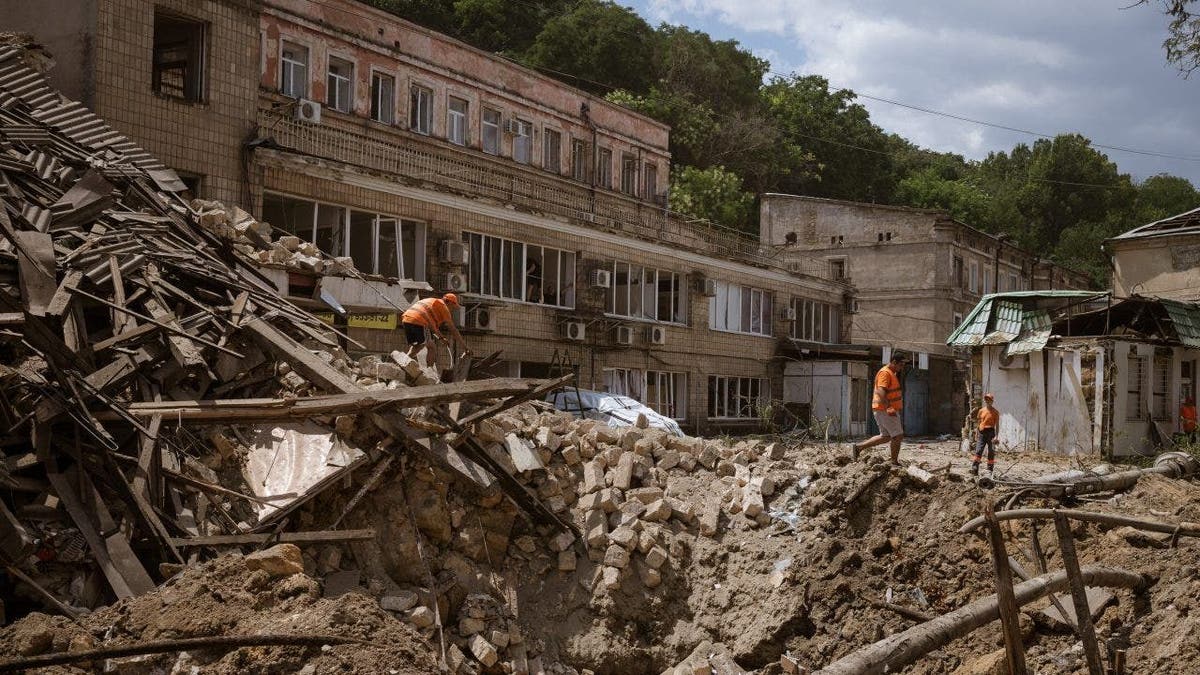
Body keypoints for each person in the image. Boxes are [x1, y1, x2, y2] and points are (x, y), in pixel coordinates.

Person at [850, 352, 908, 465]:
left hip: (882, 409)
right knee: (898, 436)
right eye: (901, 364)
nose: (902, 367)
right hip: (885, 409)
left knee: (886, 436)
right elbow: (881, 392)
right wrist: (889, 407)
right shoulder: (885, 373)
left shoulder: (891, 373)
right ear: (894, 362)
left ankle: (858, 448)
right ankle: (894, 462)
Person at [401, 293, 468, 371]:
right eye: (453, 307)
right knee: (430, 347)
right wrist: (465, 347)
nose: (452, 310)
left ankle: (401, 364)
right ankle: (429, 372)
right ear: (449, 302)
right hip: (419, 321)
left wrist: (441, 338)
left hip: (406, 320)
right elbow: (453, 329)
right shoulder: (443, 307)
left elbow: (433, 327)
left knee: (417, 347)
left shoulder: (431, 301)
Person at [972, 393, 1000, 476]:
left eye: (989, 400)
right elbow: (979, 422)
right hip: (982, 432)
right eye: (986, 400)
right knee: (979, 450)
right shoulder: (981, 411)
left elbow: (997, 425)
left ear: (992, 401)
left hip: (991, 433)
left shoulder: (995, 412)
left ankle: (990, 469)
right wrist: (977, 433)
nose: (987, 401)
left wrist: (997, 436)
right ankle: (975, 468)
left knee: (991, 451)